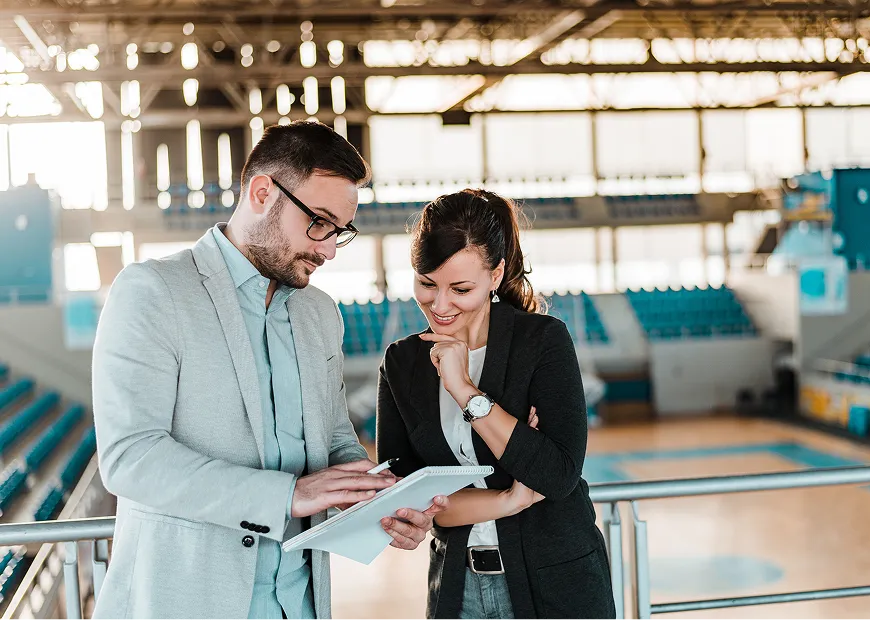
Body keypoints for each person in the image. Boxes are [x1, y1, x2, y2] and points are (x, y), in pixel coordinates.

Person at [92, 120, 446, 620]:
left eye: (339, 232)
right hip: (187, 601)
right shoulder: (153, 292)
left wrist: (372, 498)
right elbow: (131, 457)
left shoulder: (320, 312)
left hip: (298, 604)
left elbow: (334, 440)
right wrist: (288, 495)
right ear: (262, 193)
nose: (326, 248)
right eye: (318, 222)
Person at [376, 189, 616, 620]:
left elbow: (558, 476)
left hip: (556, 586)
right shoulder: (402, 362)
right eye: (427, 284)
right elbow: (408, 494)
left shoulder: (542, 341)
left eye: (460, 288)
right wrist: (511, 498)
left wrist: (465, 391)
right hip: (457, 587)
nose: (440, 305)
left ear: (495, 274)